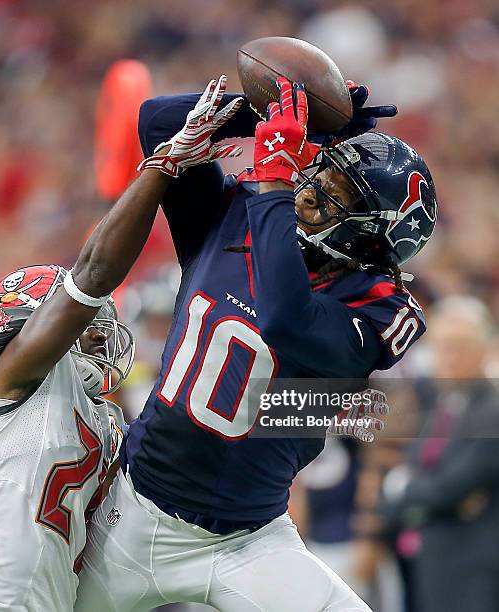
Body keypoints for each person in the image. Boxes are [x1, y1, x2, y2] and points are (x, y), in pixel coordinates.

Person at [75, 75, 437, 612]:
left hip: (247, 541)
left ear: (373, 234)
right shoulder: (234, 213)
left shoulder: (382, 307)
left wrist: (272, 179)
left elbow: (286, 318)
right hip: (130, 509)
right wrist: (278, 114)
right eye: (324, 171)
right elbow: (157, 121)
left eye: (339, 194)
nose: (310, 187)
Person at [0, 132, 245, 612]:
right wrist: (159, 170)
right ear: (34, 320)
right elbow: (94, 273)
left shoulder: (97, 420)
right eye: (86, 324)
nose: (100, 337)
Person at [379, 296, 499, 612]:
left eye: (459, 346)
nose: (450, 357)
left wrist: (400, 491)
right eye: (442, 347)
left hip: (473, 566)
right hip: (428, 558)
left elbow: (451, 486)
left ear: (484, 349)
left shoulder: (492, 410)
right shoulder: (439, 405)